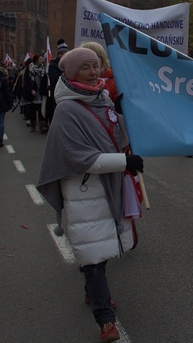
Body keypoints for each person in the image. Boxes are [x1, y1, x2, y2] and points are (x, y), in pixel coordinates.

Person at [36, 48, 144, 343]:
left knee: (102, 248)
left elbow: (117, 138)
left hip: (109, 187)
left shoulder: (103, 99)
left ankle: (91, 290)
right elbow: (80, 158)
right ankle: (105, 320)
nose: (94, 73)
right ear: (71, 74)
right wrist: (125, 163)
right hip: (84, 190)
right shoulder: (67, 110)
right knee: (94, 253)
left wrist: (124, 113)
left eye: (95, 67)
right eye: (86, 68)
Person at [45, 39, 70, 126]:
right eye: (61, 53)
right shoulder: (53, 64)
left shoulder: (70, 63)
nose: (63, 55)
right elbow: (53, 77)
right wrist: (65, 75)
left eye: (65, 53)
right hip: (57, 91)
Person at [22, 54, 48, 133]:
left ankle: (42, 126)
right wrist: (31, 89)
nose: (42, 61)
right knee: (32, 110)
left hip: (41, 92)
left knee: (41, 109)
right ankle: (33, 125)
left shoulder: (43, 68)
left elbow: (46, 80)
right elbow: (27, 80)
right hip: (33, 92)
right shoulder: (29, 68)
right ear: (36, 60)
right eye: (41, 59)